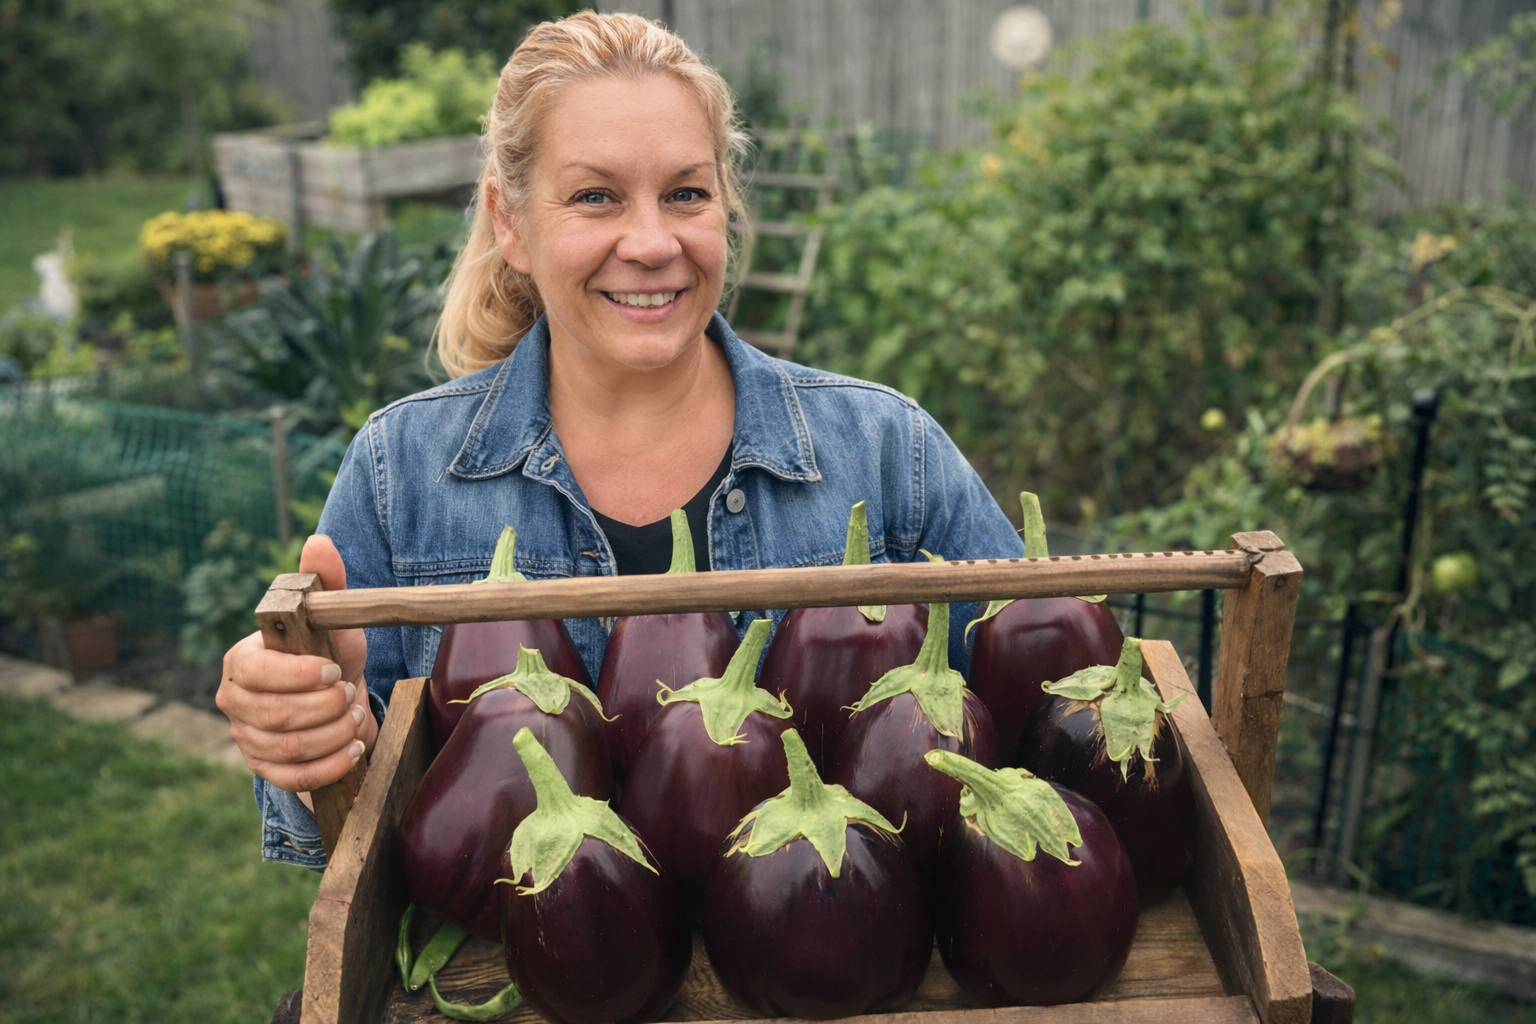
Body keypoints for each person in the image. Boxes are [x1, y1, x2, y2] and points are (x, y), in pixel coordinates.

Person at [216, 11, 1024, 868]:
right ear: (511, 223)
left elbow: (1041, 712)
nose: (651, 243)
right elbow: (339, 845)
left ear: (726, 207)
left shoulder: (886, 450)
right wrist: (307, 736)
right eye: (595, 196)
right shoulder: (400, 473)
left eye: (686, 193)